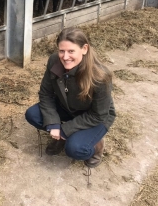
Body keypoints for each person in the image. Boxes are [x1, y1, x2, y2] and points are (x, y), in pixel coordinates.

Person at [25, 27, 116, 167]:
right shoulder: (54, 61)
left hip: (94, 116)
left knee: (75, 149)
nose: (65, 57)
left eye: (71, 51)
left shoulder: (100, 76)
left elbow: (99, 115)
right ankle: (61, 137)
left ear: (84, 49)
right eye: (62, 51)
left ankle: (96, 146)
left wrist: (66, 129)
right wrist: (54, 124)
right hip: (67, 105)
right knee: (32, 114)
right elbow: (46, 94)